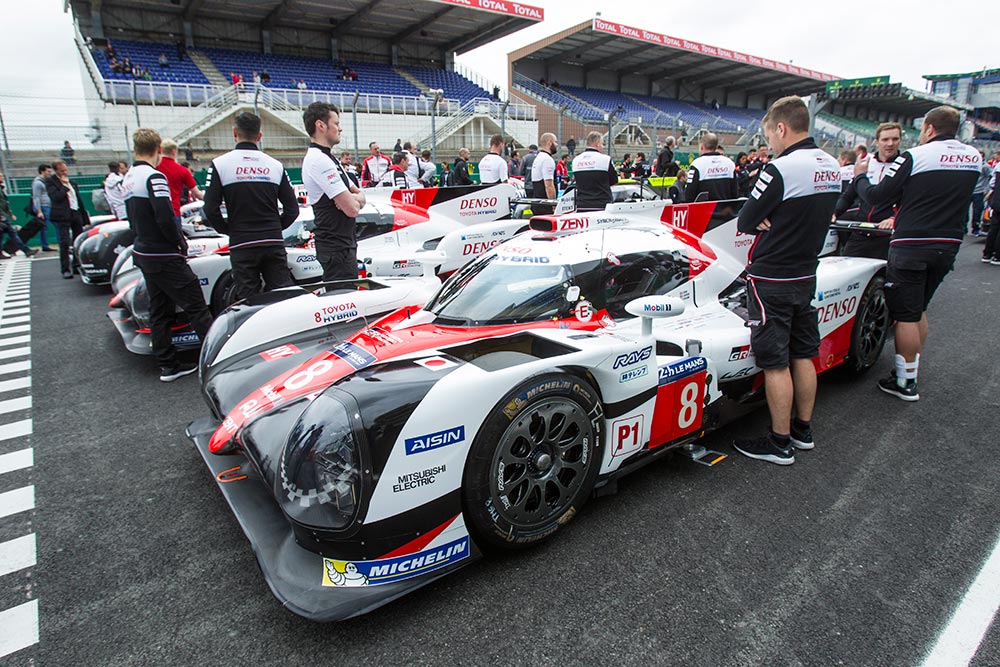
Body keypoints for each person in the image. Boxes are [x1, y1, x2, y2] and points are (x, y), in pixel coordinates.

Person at [732, 96, 841, 465]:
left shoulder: (780, 168)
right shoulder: (831, 165)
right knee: (804, 352)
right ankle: (802, 431)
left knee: (775, 361)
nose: (770, 145)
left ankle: (780, 443)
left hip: (772, 276)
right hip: (806, 272)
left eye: (769, 136)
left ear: (781, 128)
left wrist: (769, 215)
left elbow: (746, 220)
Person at [853, 106, 980, 401]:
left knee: (906, 315)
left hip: (912, 242)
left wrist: (860, 178)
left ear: (929, 129)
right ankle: (912, 369)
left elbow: (878, 195)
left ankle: (905, 381)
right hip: (948, 243)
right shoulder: (973, 156)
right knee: (920, 308)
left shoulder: (917, 156)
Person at [123, 128, 212, 381]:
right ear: (158, 150)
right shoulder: (154, 177)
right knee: (196, 305)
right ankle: (217, 361)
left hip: (143, 251)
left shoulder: (128, 177)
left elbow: (130, 219)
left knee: (159, 309)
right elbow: (164, 216)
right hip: (163, 253)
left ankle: (167, 365)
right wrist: (179, 243)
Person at [202, 112, 299, 302]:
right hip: (272, 241)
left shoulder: (220, 164)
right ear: (260, 136)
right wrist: (274, 227)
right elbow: (292, 209)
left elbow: (210, 208)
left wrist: (230, 230)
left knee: (247, 300)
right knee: (282, 297)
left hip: (242, 242)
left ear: (234, 133)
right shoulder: (275, 165)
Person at [301, 102, 366, 281]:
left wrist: (354, 198)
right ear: (320, 125)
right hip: (335, 248)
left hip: (344, 245)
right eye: (336, 124)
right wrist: (353, 200)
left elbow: (359, 195)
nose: (340, 128)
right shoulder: (318, 160)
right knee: (343, 300)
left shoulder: (330, 158)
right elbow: (352, 209)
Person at [836, 122, 902, 259]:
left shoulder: (904, 165)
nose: (890, 143)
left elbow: (911, 199)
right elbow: (848, 195)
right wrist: (834, 212)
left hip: (887, 237)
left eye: (895, 139)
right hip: (860, 234)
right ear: (876, 142)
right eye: (885, 139)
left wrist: (893, 218)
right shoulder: (865, 165)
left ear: (900, 140)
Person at [46, 160, 89, 277]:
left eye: (65, 170)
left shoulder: (72, 182)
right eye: (62, 171)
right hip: (62, 215)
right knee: (64, 242)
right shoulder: (51, 182)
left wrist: (84, 218)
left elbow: (78, 199)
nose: (65, 172)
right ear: (56, 171)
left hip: (75, 213)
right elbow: (56, 197)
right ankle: (65, 269)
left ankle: (76, 265)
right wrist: (64, 186)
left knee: (78, 240)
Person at [571, 131, 618, 212]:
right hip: (602, 205)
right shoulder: (606, 159)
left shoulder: (576, 160)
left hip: (582, 205)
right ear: (597, 143)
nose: (603, 147)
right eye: (602, 144)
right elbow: (614, 180)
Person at [158, 139, 203, 222]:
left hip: (155, 213)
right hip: (174, 211)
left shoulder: (153, 168)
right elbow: (197, 194)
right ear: (174, 152)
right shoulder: (182, 170)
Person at [685, 133, 738, 201]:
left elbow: (689, 194)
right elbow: (735, 193)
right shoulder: (730, 164)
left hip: (704, 209)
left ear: (702, 146)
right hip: (726, 209)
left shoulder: (697, 164)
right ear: (716, 147)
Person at [0, 171, 37, 259]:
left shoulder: (1, 188)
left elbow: (5, 203)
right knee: (11, 234)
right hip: (1, 217)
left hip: (3, 216)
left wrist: (10, 213)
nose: (2, 178)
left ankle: (26, 250)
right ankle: (26, 250)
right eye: (0, 176)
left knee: (10, 234)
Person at [530, 133, 558, 214]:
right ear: (549, 142)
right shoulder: (547, 159)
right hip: (545, 205)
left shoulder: (538, 158)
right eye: (555, 142)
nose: (557, 145)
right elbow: (549, 186)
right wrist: (553, 204)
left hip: (537, 202)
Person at [31, 164, 54, 251]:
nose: (49, 173)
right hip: (43, 207)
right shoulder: (37, 182)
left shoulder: (46, 181)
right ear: (42, 171)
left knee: (46, 226)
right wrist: (39, 210)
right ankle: (45, 245)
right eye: (48, 171)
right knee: (44, 227)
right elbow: (36, 197)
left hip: (48, 205)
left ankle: (45, 245)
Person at [970, 152, 992, 236]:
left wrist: (987, 188)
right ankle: (964, 227)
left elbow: (992, 176)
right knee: (963, 211)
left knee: (977, 211)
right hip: (969, 190)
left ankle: (975, 228)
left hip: (979, 191)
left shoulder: (985, 167)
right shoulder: (971, 165)